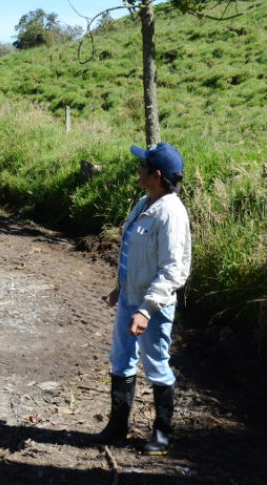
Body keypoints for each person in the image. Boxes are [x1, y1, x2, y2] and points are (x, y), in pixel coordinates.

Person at [97, 142, 192, 456]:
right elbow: (132, 252)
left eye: (142, 167)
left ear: (157, 174)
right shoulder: (144, 202)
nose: (138, 170)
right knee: (121, 359)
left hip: (153, 306)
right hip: (129, 298)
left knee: (155, 365)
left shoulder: (172, 214)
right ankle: (117, 427)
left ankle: (164, 433)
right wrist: (120, 287)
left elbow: (173, 270)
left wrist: (147, 309)